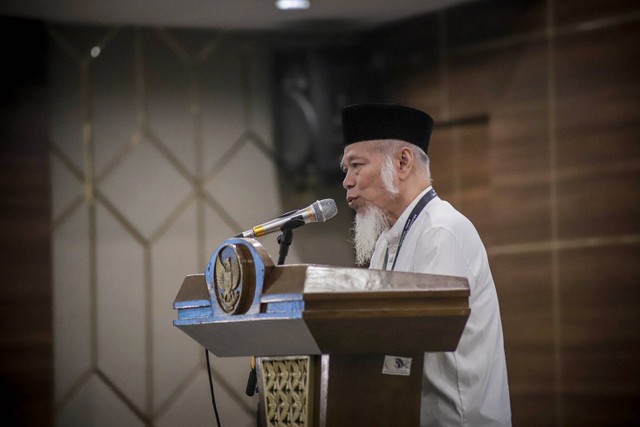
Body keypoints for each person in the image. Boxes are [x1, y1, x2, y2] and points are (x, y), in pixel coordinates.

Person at [340, 103, 512, 426]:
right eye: (345, 170)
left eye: (356, 166)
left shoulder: (441, 231)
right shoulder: (384, 245)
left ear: (403, 162)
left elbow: (415, 340)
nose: (347, 182)